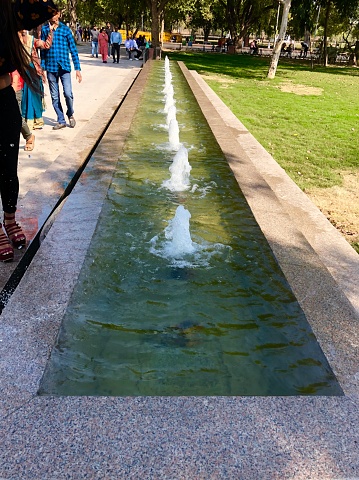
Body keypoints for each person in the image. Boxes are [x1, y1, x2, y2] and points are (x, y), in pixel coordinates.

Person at [0, 0, 57, 261]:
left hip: (4, 98)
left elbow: (47, 9)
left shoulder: (8, 10)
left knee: (9, 167)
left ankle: (10, 218)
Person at [41, 10, 82, 130]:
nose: (53, 16)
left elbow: (73, 50)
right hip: (51, 67)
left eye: (54, 14)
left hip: (64, 67)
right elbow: (42, 50)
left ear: (59, 14)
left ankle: (70, 113)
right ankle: (61, 119)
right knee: (55, 96)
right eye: (50, 14)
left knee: (68, 94)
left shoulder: (65, 30)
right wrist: (42, 68)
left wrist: (77, 69)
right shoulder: (44, 30)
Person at [20, 28, 53, 131]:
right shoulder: (14, 42)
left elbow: (46, 45)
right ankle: (27, 122)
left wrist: (50, 33)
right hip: (21, 71)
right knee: (25, 95)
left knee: (34, 94)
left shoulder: (32, 40)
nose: (23, 30)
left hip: (33, 70)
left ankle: (36, 121)